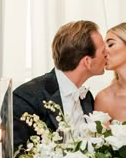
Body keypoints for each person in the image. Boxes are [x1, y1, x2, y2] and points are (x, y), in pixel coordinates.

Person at [12, 20, 106, 151]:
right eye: (103, 51)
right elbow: (16, 157)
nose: (107, 54)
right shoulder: (25, 98)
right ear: (87, 61)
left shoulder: (86, 97)